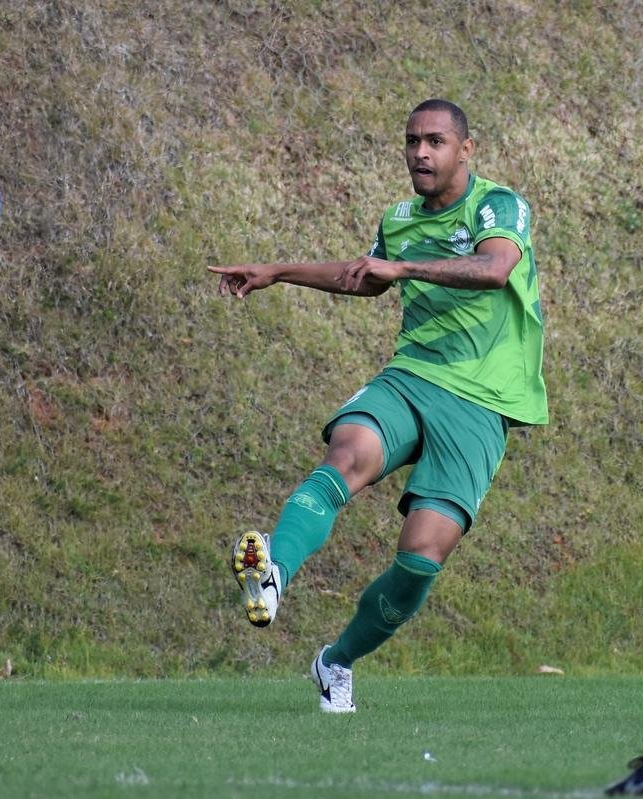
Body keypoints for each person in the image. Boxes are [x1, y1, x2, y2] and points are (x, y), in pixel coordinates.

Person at [209, 98, 547, 713]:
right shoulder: (399, 219)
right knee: (349, 453)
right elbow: (364, 275)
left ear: (465, 150)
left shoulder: (498, 206)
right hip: (412, 376)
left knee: (420, 561)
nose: (421, 152)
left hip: (483, 399)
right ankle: (274, 572)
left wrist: (405, 265)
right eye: (413, 140)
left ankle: (334, 663)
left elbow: (496, 269)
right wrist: (277, 271)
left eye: (436, 142)